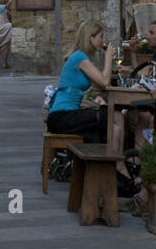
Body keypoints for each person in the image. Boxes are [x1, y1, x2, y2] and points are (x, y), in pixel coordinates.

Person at [45, 20, 134, 190]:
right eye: (100, 36)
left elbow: (99, 86)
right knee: (113, 117)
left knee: (115, 117)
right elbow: (104, 82)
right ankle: (117, 165)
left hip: (68, 114)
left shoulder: (82, 59)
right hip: (62, 116)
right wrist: (108, 58)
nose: (103, 40)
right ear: (91, 37)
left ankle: (115, 165)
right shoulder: (79, 57)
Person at [0, 3, 12, 70]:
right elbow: (11, 15)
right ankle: (4, 63)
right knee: (6, 45)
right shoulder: (5, 10)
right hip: (5, 28)